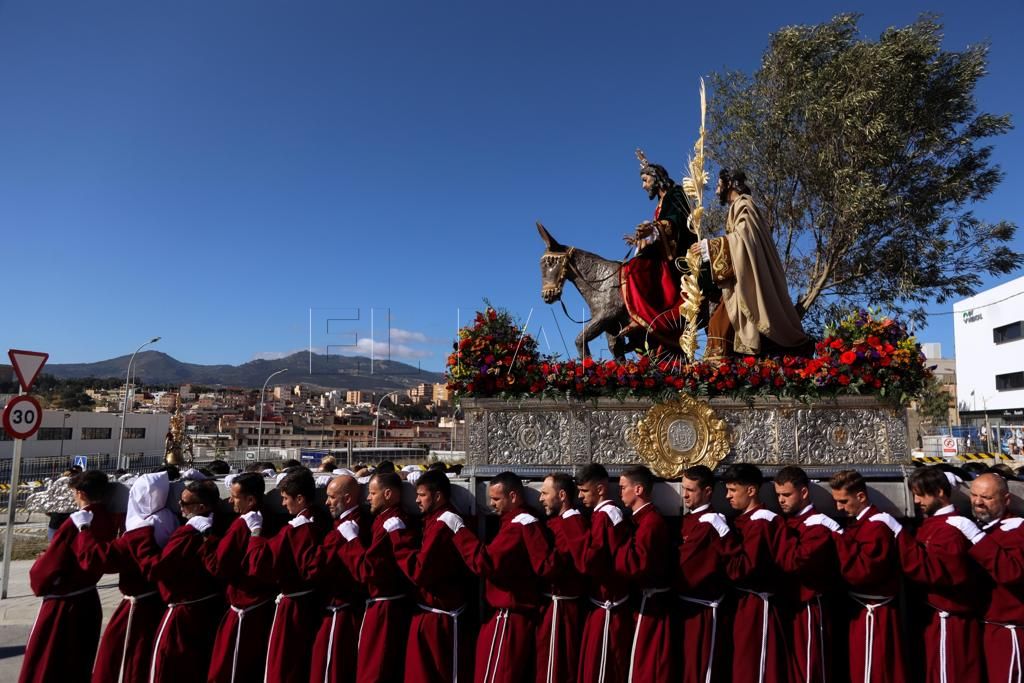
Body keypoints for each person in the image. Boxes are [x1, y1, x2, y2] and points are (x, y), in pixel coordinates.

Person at [691, 169, 808, 357]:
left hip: (748, 283)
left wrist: (711, 246)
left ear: (729, 184)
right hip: (738, 281)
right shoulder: (737, 207)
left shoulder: (744, 204)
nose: (716, 191)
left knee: (718, 327)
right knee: (717, 326)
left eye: (719, 186)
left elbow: (745, 239)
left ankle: (720, 378)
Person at [73, 471, 176, 683]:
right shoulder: (170, 519)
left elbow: (96, 559)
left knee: (122, 659)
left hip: (137, 606)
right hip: (160, 603)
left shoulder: (139, 531)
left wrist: (84, 528)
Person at [445, 471, 547, 683]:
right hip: (514, 617)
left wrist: (459, 530)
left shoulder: (518, 525)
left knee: (497, 675)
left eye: (496, 498)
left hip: (508, 618)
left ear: (513, 496)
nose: (492, 504)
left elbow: (485, 562)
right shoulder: (521, 522)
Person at [887, 466, 985, 683]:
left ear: (940, 492)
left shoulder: (950, 530)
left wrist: (899, 535)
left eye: (921, 494)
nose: (917, 501)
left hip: (949, 623)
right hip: (934, 620)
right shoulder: (934, 523)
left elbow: (935, 572)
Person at [20, 470, 117, 683]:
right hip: (88, 598)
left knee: (49, 663)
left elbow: (50, 566)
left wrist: (42, 568)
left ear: (81, 493)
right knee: (77, 663)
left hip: (63, 602)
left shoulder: (77, 522)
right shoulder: (107, 518)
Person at [391, 468, 474, 683]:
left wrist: (398, 540)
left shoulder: (443, 524)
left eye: (422, 495)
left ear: (437, 496)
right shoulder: (433, 519)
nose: (417, 500)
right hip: (429, 613)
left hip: (441, 619)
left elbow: (419, 571)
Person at [827, 469, 907, 683]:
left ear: (861, 497)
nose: (839, 508)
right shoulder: (859, 522)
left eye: (843, 501)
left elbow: (863, 571)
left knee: (875, 669)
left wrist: (839, 538)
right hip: (860, 609)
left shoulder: (877, 527)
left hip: (875, 613)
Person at [253, 468, 329, 683]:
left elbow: (262, 563)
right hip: (310, 604)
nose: (283, 504)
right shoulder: (319, 518)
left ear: (300, 498)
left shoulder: (297, 528)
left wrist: (255, 537)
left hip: (295, 607)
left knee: (285, 663)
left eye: (286, 498)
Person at [337, 471, 415, 683]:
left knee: (376, 670)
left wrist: (352, 542)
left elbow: (367, 571)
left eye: (372, 493)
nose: (368, 498)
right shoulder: (383, 519)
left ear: (388, 494)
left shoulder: (391, 522)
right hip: (381, 605)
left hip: (385, 610)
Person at [149, 479, 228, 682]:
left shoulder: (188, 532)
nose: (180, 507)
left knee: (170, 665)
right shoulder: (222, 522)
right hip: (209, 608)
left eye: (185, 503)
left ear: (201, 507)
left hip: (183, 611)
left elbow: (159, 569)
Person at [203, 472, 277, 683]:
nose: (230, 501)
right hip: (263, 605)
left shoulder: (242, 524)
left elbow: (218, 566)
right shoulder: (269, 516)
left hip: (245, 606)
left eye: (235, 497)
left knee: (231, 667)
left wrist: (207, 542)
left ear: (251, 499)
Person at [562, 463, 633, 683]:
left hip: (608, 605)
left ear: (601, 489)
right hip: (609, 604)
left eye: (584, 491)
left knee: (601, 669)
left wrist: (571, 523)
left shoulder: (604, 516)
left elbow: (589, 562)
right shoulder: (610, 514)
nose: (580, 497)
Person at [721, 463, 788, 683]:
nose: (728, 496)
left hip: (757, 607)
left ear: (751, 491)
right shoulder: (744, 520)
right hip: (743, 604)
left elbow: (744, 568)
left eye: (733, 490)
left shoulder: (762, 522)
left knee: (754, 665)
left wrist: (724, 539)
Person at [618, 149, 694, 345]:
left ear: (656, 178)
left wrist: (654, 227)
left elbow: (677, 219)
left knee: (633, 268)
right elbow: (658, 233)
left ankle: (645, 316)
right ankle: (642, 316)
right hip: (664, 250)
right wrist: (640, 240)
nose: (644, 186)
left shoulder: (676, 193)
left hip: (680, 251)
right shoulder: (660, 203)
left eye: (645, 180)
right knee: (630, 265)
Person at [773, 466, 839, 683]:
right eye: (778, 495)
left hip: (809, 608)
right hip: (788, 605)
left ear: (804, 493)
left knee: (809, 667)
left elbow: (794, 561)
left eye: (786, 495)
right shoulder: (789, 521)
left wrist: (782, 532)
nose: (781, 500)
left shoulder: (817, 525)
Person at [614, 465, 675, 683]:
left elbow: (635, 566)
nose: (620, 492)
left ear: (638, 489)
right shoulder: (641, 520)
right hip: (642, 603)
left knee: (648, 665)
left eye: (623, 487)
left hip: (651, 606)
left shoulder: (650, 523)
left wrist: (618, 541)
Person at [676, 465, 732, 683]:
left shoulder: (711, 523)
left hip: (702, 610)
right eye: (683, 488)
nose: (685, 494)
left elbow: (689, 565)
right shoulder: (690, 520)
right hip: (684, 607)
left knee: (699, 669)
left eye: (691, 490)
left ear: (707, 491)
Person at [967, 472, 1024, 682]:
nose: (978, 502)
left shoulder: (1017, 530)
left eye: (987, 498)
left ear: (1006, 499)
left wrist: (978, 539)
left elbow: (1011, 573)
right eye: (974, 495)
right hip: (985, 626)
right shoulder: (981, 526)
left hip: (1009, 630)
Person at [308, 474, 364, 683]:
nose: (326, 502)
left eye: (332, 497)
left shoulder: (347, 528)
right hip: (338, 609)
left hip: (339, 612)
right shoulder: (344, 522)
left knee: (330, 669)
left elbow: (315, 566)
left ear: (348, 499)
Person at [532, 473, 588, 683]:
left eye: (545, 493)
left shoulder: (572, 524)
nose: (540, 499)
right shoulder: (558, 521)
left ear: (562, 495)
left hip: (561, 610)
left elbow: (551, 566)